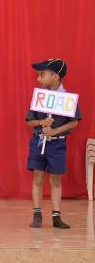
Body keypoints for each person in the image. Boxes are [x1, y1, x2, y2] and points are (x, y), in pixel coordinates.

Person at [26, 59, 81, 229]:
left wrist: (55, 131)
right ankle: (37, 215)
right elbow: (29, 121)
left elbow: (74, 122)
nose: (38, 78)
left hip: (57, 144)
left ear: (55, 76)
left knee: (56, 180)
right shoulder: (40, 98)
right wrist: (41, 122)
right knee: (38, 177)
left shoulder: (67, 99)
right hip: (39, 142)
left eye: (42, 75)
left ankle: (56, 216)